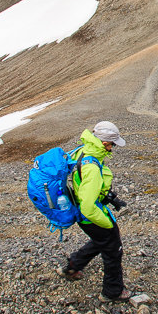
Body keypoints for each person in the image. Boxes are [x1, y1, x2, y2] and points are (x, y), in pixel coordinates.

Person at [58, 121, 132, 302]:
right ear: (105, 143)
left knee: (101, 241)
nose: (113, 148)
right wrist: (108, 225)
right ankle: (112, 291)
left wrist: (110, 197)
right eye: (113, 144)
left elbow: (83, 186)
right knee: (113, 247)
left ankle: (73, 266)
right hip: (89, 215)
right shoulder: (91, 167)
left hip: (81, 213)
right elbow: (88, 206)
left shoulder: (84, 151)